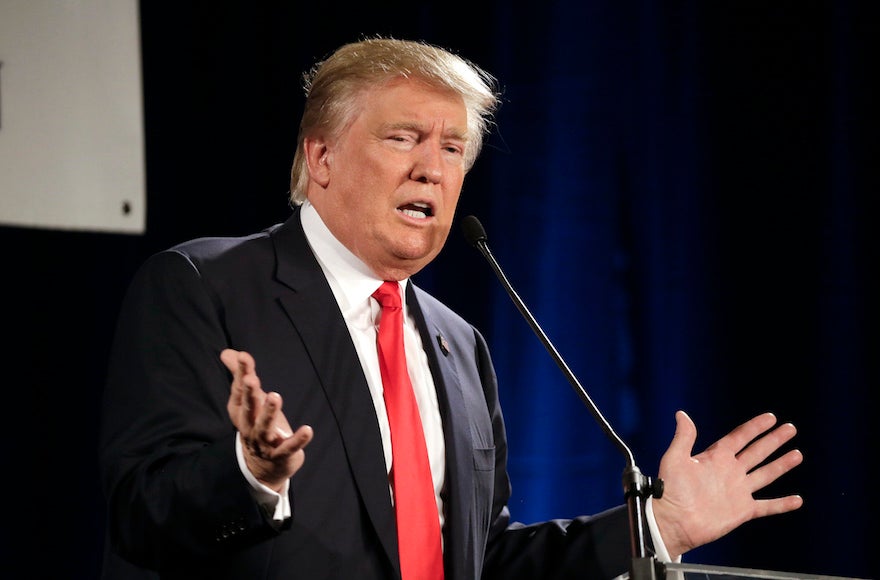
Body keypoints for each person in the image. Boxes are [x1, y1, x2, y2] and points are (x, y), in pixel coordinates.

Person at [99, 37, 803, 580]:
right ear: (321, 158)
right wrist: (249, 474)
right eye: (403, 137)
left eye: (453, 148)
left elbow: (482, 562)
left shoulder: (458, 344)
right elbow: (139, 517)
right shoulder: (203, 284)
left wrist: (658, 526)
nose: (432, 168)